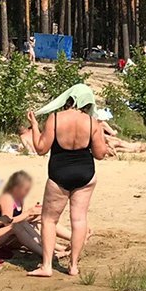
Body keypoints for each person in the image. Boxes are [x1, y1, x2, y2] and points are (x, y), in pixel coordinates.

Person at [25, 83, 109, 278]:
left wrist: (35, 126)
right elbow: (100, 154)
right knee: (79, 219)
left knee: (49, 219)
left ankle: (46, 266)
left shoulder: (55, 119)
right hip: (85, 173)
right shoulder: (92, 122)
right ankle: (73, 266)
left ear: (69, 99)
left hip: (59, 173)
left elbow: (40, 148)